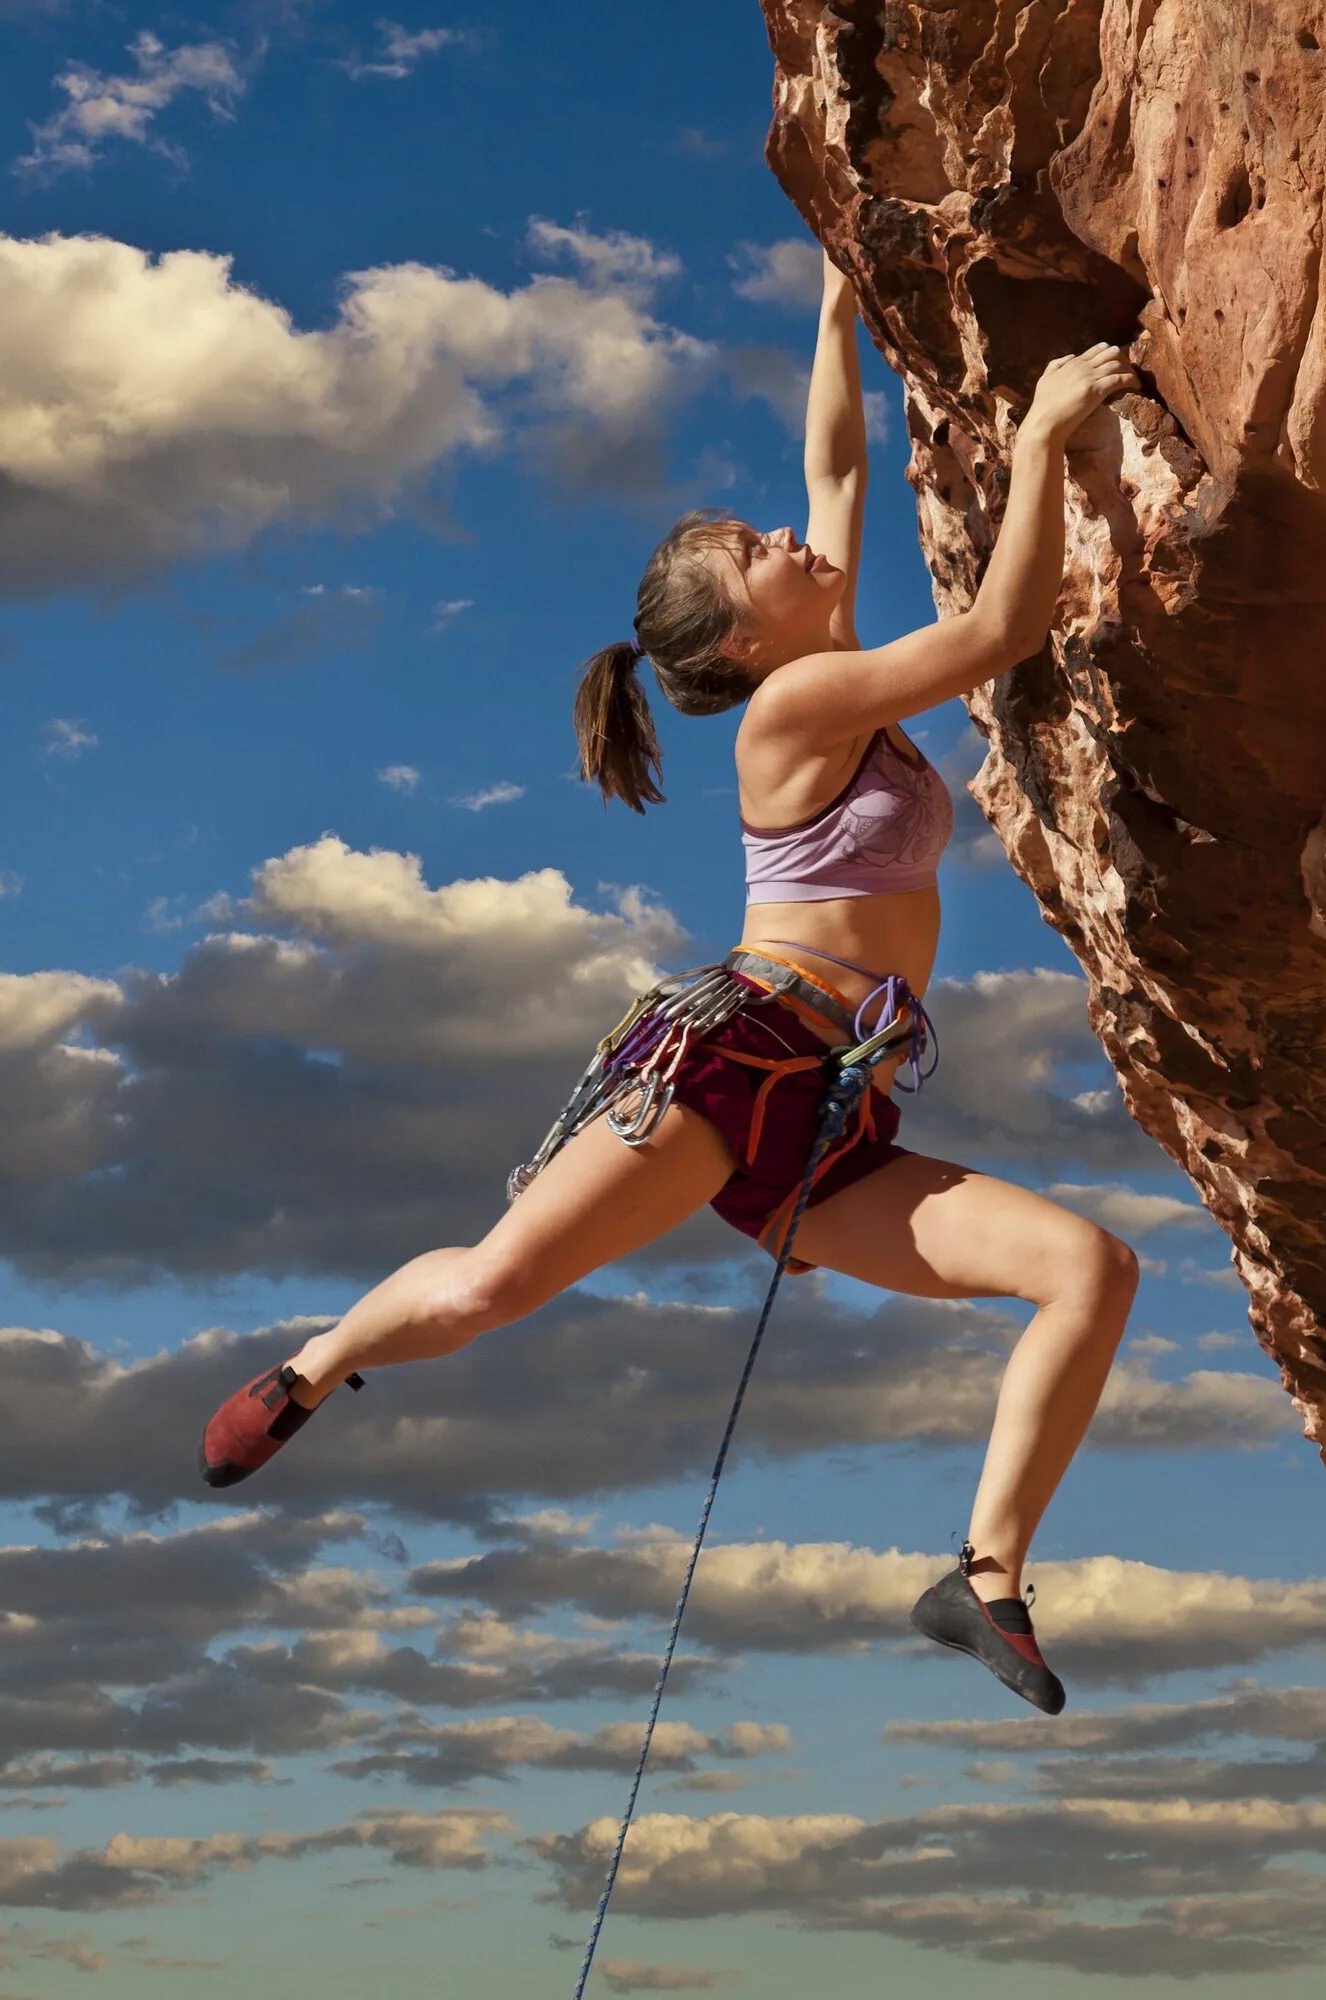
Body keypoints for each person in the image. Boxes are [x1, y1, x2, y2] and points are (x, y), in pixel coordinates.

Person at [198, 255, 1145, 1716]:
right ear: (748, 638)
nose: (789, 533)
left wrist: (835, 309)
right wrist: (1036, 444)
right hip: (733, 1063)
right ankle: (317, 1367)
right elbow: (998, 637)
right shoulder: (798, 702)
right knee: (493, 1283)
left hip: (840, 1119)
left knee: (1088, 1269)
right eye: (755, 551)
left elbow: (834, 459)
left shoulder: (817, 650)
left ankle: (985, 1579)